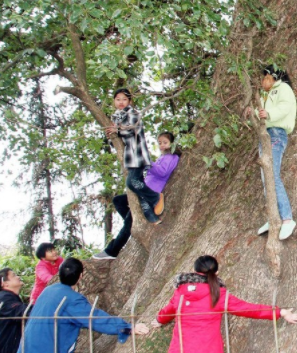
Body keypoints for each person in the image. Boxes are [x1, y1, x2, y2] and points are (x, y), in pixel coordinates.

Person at [152, 255, 297, 353]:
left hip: (181, 349)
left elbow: (169, 310)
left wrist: (159, 320)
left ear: (194, 271)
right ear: (216, 273)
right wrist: (280, 312)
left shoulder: (181, 291)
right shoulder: (218, 294)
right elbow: (248, 309)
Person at [18, 258, 148, 352]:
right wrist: (127, 327)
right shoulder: (72, 299)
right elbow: (95, 319)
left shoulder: (48, 290)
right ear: (80, 276)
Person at [93, 132, 180, 260]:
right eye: (160, 143)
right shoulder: (163, 157)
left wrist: (147, 162)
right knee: (118, 201)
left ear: (172, 143)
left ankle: (112, 251)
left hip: (151, 191)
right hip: (143, 190)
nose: (162, 145)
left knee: (129, 220)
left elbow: (162, 172)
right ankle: (135, 224)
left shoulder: (172, 157)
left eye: (165, 142)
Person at [246, 65, 297, 240]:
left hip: (276, 133)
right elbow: (262, 114)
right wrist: (252, 113)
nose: (263, 80)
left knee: (272, 176)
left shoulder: (283, 88)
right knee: (266, 176)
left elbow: (283, 108)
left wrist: (266, 113)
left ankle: (287, 219)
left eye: (265, 76)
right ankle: (273, 217)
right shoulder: (265, 94)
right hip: (266, 135)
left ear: (273, 76)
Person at [104, 87, 157, 223]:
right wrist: (111, 137)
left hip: (138, 153)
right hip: (130, 157)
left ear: (130, 101)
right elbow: (117, 140)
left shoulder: (133, 113)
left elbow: (130, 130)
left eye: (124, 99)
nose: (121, 102)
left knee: (132, 182)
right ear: (114, 101)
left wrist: (117, 130)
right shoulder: (116, 116)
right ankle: (150, 216)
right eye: (118, 99)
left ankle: (155, 198)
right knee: (136, 186)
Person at [0, 268, 27, 353]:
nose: (18, 277)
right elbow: (21, 311)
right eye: (14, 275)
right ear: (5, 284)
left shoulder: (10, 297)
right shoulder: (4, 298)